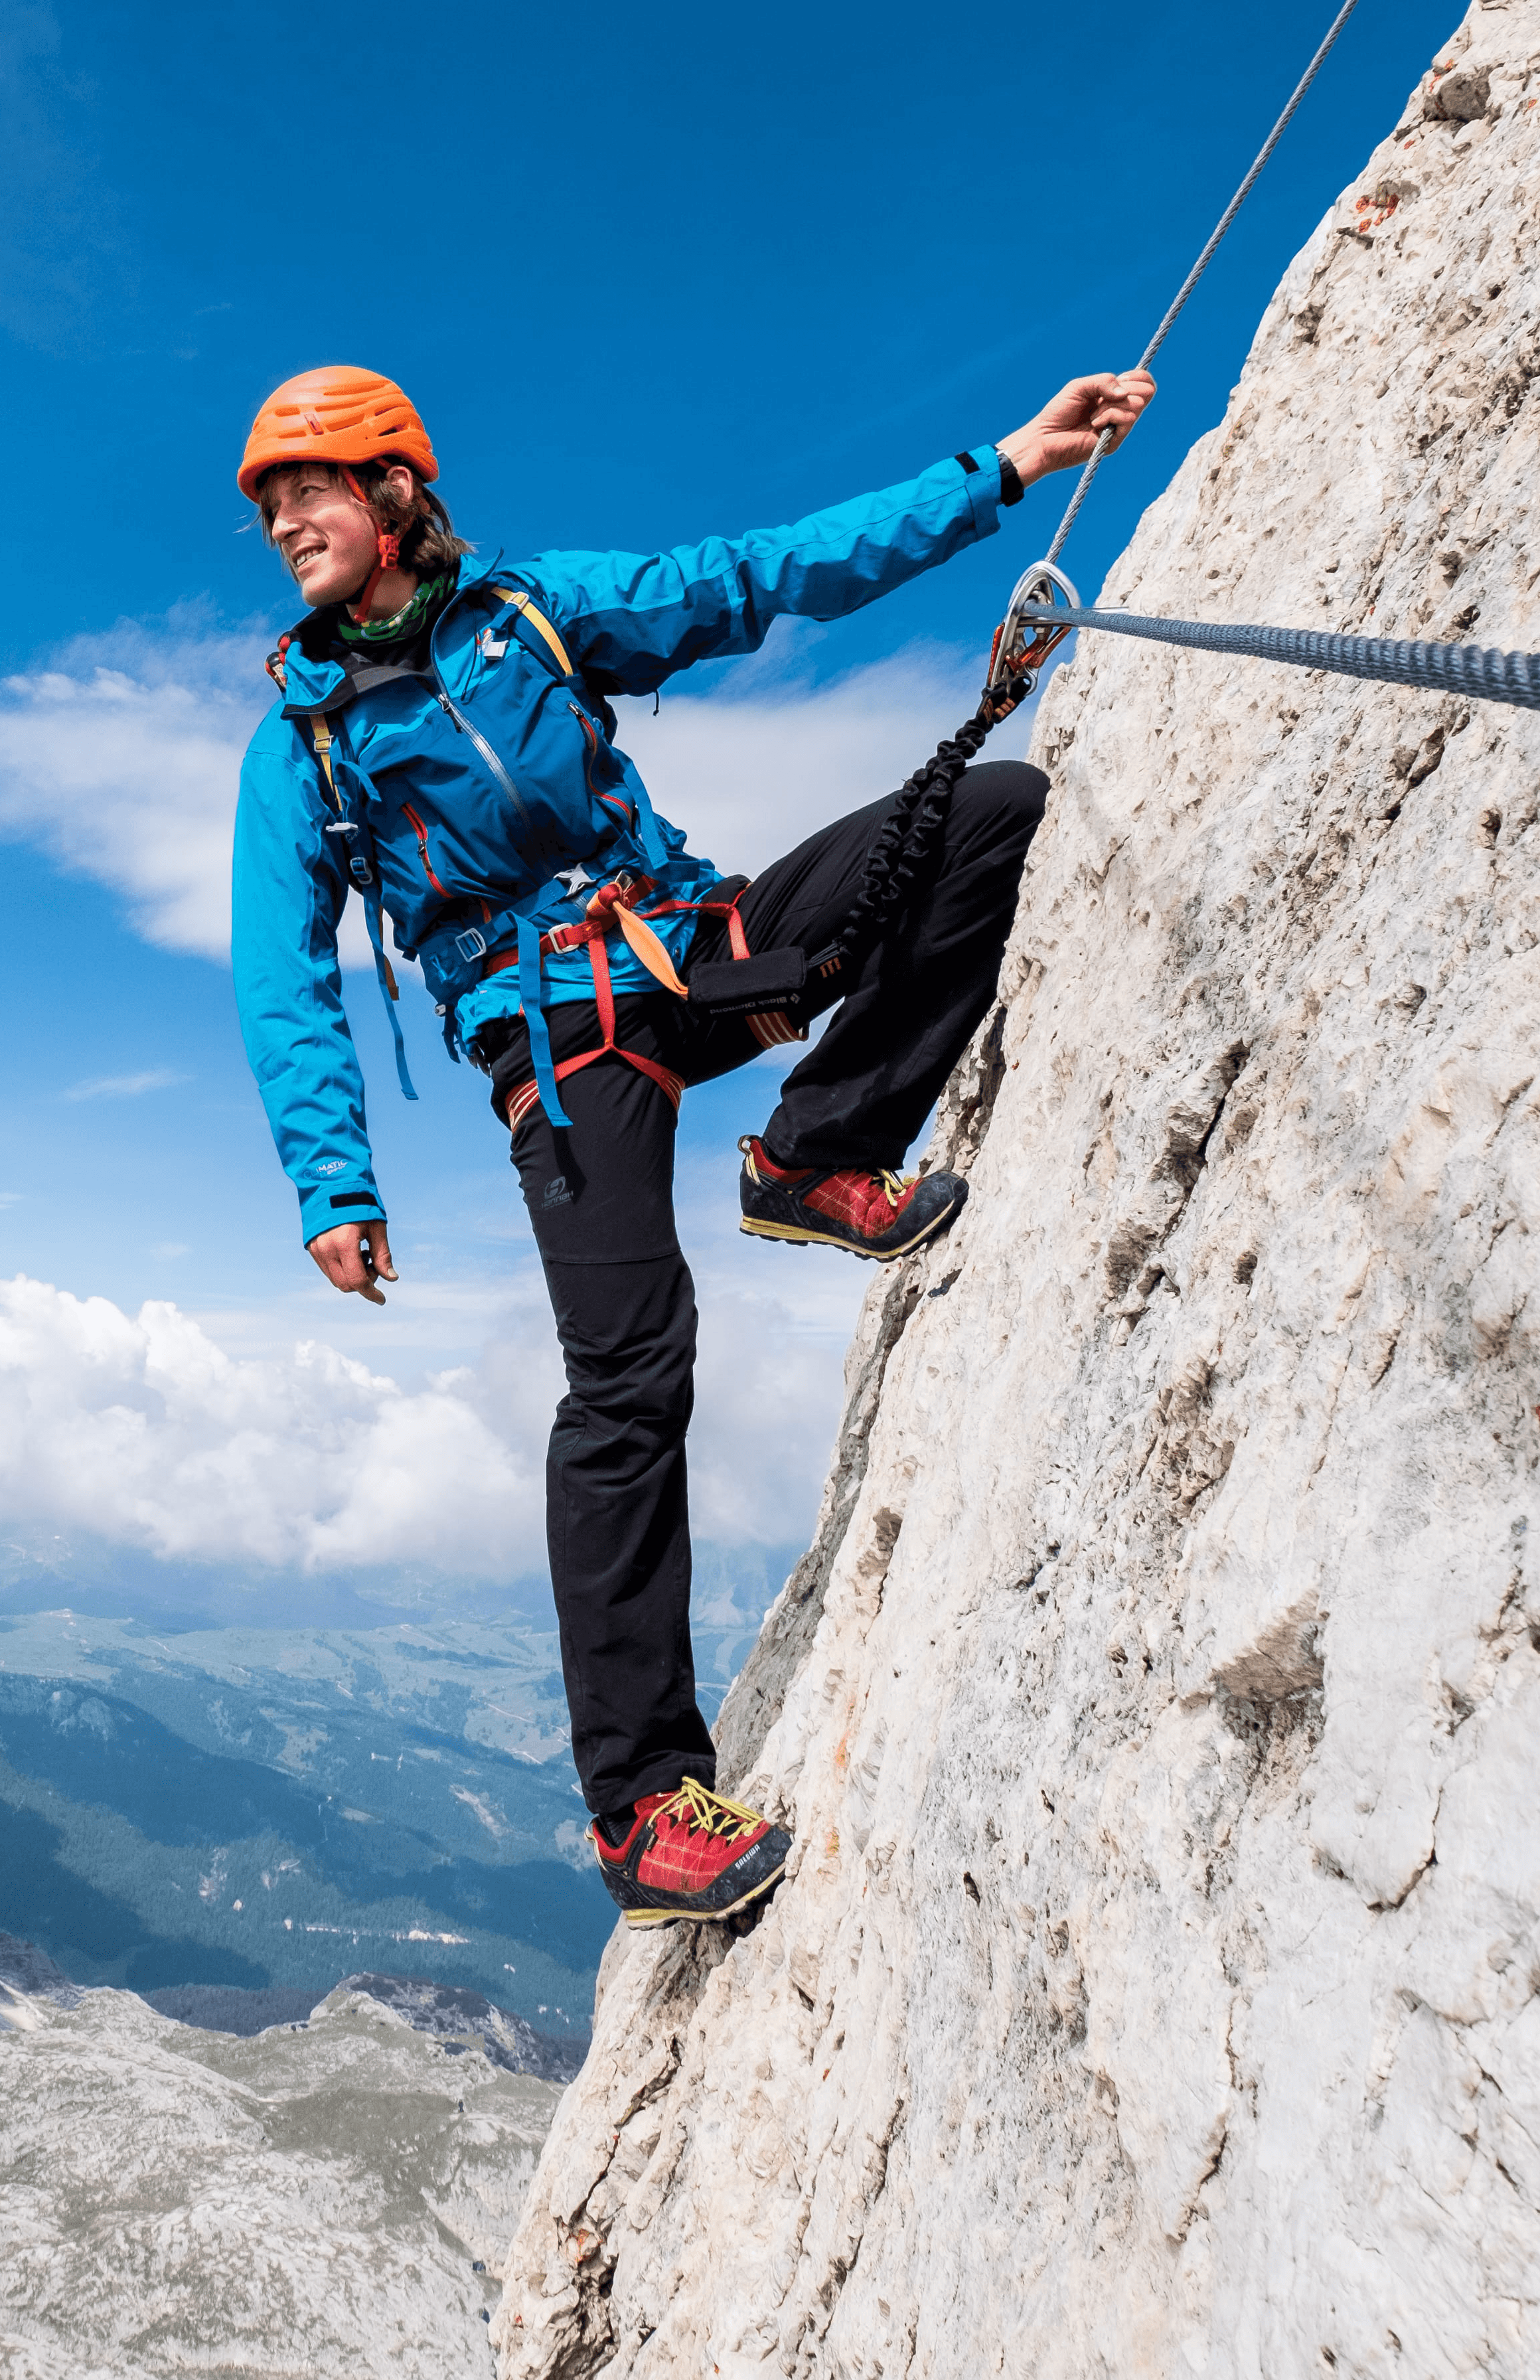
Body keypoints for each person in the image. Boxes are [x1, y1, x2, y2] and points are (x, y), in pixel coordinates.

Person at [228, 362, 1151, 1927]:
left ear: (394, 494)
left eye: (309, 488)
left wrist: (999, 468)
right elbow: (283, 974)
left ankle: (811, 1152)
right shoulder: (299, 747)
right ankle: (645, 1806)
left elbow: (755, 575)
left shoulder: (530, 617)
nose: (284, 524)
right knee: (632, 1370)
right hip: (562, 1039)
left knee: (989, 810)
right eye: (268, 505)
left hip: (685, 941)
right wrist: (336, 1181)